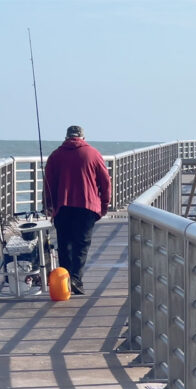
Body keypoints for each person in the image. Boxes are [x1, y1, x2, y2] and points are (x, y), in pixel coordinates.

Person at [44, 125, 111, 295]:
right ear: (83, 137)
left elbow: (48, 184)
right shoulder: (93, 154)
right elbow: (105, 182)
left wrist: (48, 206)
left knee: (64, 244)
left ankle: (64, 281)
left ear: (66, 137)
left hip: (63, 206)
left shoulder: (56, 155)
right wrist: (104, 205)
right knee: (81, 244)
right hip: (87, 207)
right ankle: (76, 279)